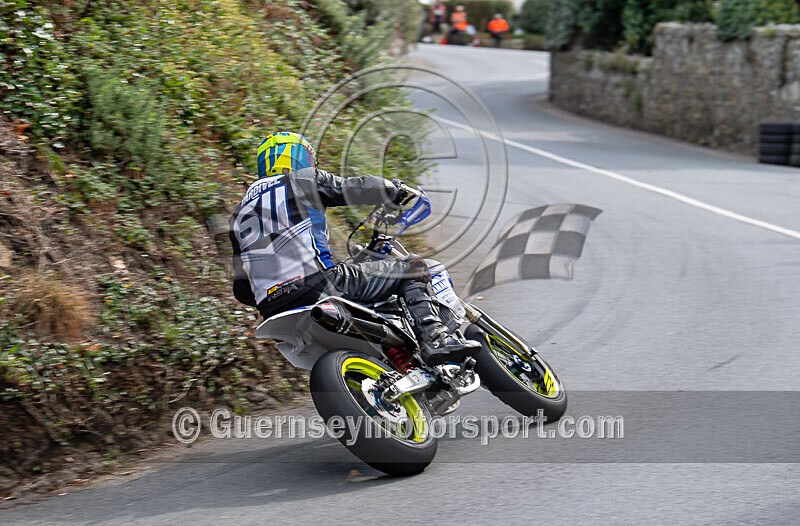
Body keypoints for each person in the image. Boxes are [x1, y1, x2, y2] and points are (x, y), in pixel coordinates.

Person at [229, 132, 480, 366]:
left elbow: (243, 289)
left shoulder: (239, 214)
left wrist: (279, 288)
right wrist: (392, 189)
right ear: (301, 157)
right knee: (412, 267)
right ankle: (435, 339)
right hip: (319, 284)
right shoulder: (301, 180)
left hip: (273, 308)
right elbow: (354, 188)